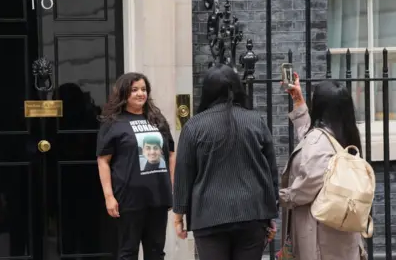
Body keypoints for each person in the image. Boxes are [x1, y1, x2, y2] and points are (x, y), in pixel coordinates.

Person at [172, 64, 279, 260]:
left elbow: (183, 174)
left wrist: (179, 214)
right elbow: (271, 170)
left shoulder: (194, 127)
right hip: (252, 212)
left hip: (209, 214)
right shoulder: (255, 121)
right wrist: (271, 212)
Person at [279, 73, 364, 259]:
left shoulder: (319, 142)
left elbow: (308, 184)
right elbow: (311, 139)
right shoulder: (343, 136)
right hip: (341, 234)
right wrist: (299, 102)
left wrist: (281, 196)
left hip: (321, 238)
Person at [96, 72, 175, 260]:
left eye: (143, 89)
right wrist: (109, 196)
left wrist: (171, 185)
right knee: (128, 252)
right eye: (134, 90)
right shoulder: (113, 123)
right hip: (128, 198)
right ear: (124, 93)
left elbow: (171, 153)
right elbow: (103, 160)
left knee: (156, 251)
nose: (141, 94)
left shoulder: (157, 119)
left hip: (157, 197)